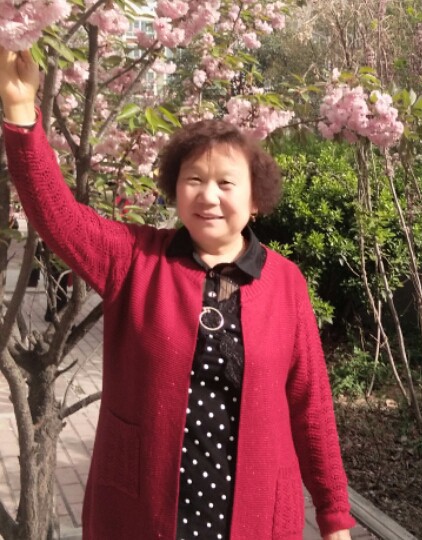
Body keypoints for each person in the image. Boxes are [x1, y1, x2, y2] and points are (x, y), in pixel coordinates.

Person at [0, 48, 356, 540]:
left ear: (255, 199)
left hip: (255, 513)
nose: (208, 196)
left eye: (226, 183)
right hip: (142, 508)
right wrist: (21, 109)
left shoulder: (285, 282)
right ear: (175, 189)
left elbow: (311, 403)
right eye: (194, 180)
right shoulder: (134, 258)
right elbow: (56, 214)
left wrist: (334, 514)